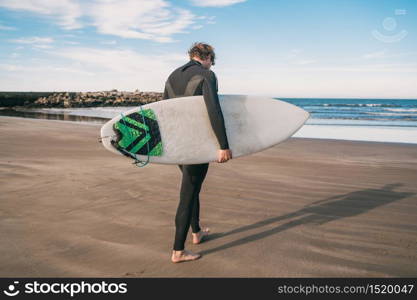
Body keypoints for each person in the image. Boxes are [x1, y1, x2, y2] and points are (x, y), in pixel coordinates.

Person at [163, 42, 233, 263]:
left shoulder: (172, 76)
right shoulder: (206, 75)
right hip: (196, 144)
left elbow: (164, 111)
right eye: (212, 61)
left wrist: (168, 144)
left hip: (177, 143)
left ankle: (197, 232)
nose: (212, 65)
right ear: (208, 57)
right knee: (188, 194)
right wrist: (223, 144)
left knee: (192, 188)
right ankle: (178, 251)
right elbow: (214, 110)